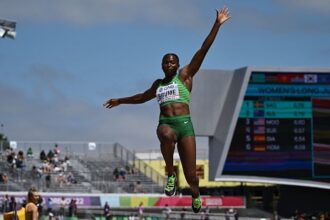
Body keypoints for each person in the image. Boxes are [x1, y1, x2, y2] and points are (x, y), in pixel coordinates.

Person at [103, 6, 230, 213]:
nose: (169, 64)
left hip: (185, 126)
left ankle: (196, 194)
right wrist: (120, 100)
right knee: (165, 134)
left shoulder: (185, 76)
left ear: (178, 64)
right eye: (166, 62)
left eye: (172, 62)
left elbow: (203, 49)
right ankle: (170, 173)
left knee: (190, 176)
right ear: (162, 65)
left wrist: (217, 24)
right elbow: (142, 97)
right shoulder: (159, 85)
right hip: (167, 124)